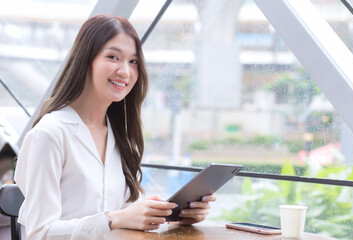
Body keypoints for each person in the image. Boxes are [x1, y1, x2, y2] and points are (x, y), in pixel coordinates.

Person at [14, 14, 216, 239]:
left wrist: (173, 215)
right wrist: (114, 219)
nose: (125, 72)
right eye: (113, 57)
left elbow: (125, 220)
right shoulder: (50, 134)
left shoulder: (119, 135)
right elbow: (39, 233)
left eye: (133, 61)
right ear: (85, 59)